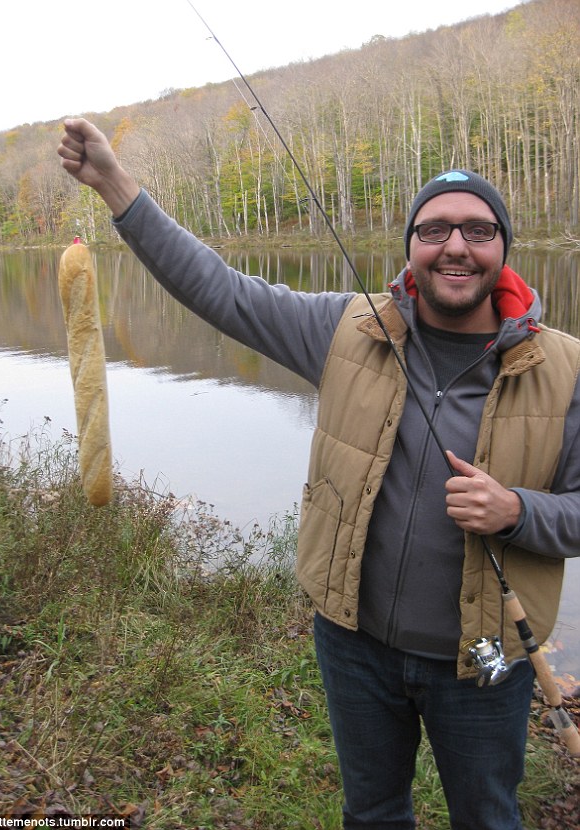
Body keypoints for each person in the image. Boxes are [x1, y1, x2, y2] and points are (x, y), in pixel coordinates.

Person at [58, 118, 580, 830]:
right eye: (433, 231)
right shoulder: (346, 332)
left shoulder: (566, 369)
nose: (454, 246)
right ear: (411, 250)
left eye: (477, 230)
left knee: (488, 817)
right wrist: (114, 185)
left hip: (482, 666)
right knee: (371, 814)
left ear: (502, 250)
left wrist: (517, 511)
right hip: (353, 646)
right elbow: (222, 292)